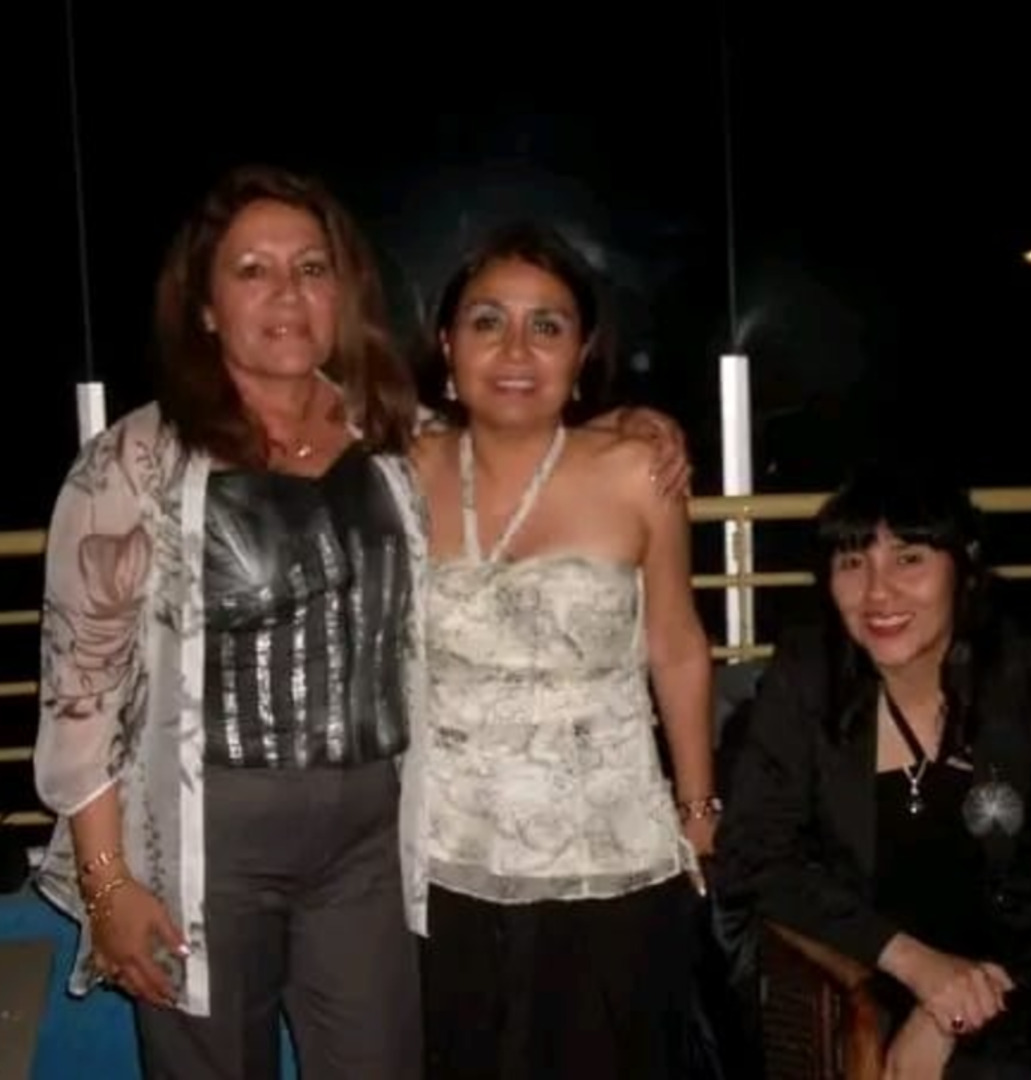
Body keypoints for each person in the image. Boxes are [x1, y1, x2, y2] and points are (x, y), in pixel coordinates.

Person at [33, 164, 691, 1079]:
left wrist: (632, 424)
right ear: (206, 308)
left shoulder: (390, 436)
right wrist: (107, 884)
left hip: (370, 845)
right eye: (253, 270)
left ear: (341, 293)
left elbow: (512, 430)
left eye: (311, 268)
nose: (287, 293)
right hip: (205, 842)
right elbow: (81, 685)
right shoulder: (135, 461)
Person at [404, 220, 718, 1079]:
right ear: (447, 345)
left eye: (547, 325)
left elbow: (676, 645)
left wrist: (698, 813)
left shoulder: (638, 471)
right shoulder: (400, 468)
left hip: (611, 853)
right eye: (487, 321)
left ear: (582, 353)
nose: (516, 350)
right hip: (445, 856)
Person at [717, 461, 1031, 1079]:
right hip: (872, 967)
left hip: (1029, 977)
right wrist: (917, 967)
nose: (878, 593)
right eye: (852, 563)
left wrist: (955, 1009)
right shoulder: (807, 679)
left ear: (965, 565)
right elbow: (752, 855)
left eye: (909, 559)